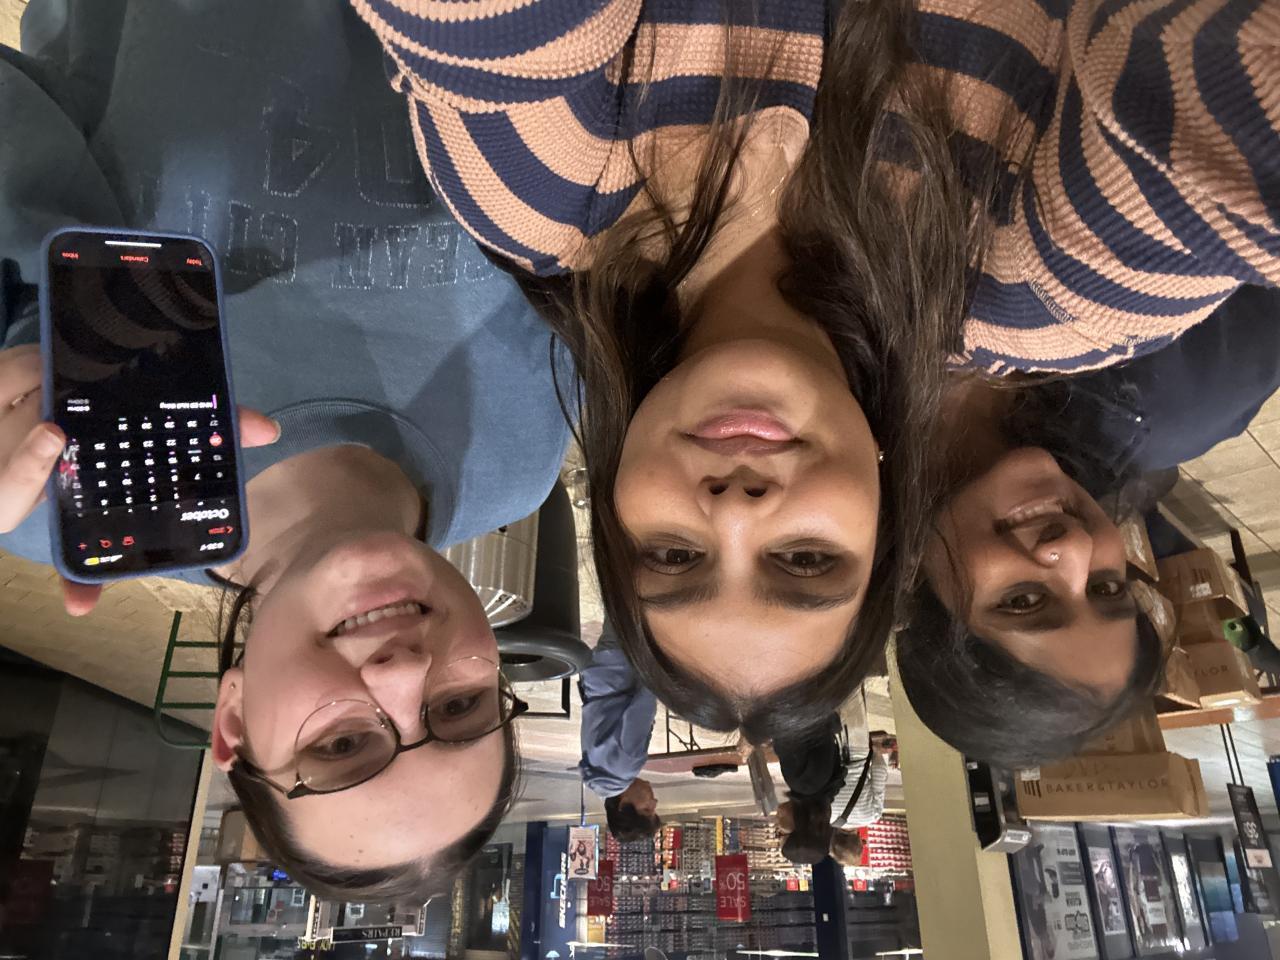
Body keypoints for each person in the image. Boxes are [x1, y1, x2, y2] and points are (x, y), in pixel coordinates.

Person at [353, 0, 1280, 747]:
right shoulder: (1039, 297)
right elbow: (1208, 135)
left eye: (674, 555)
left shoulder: (541, 192)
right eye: (806, 560)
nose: (737, 510)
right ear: (889, 525)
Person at [0, 0, 573, 900]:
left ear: (232, 720)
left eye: (341, 743)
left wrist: (23, 326)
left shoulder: (62, 484)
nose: (403, 674)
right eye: (460, 707)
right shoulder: (522, 454)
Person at [898, 286, 1280, 769]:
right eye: (1106, 587)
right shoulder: (1185, 395)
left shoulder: (836, 407)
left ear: (918, 591)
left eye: (1023, 600)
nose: (1076, 546)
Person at [578, 621, 663, 843]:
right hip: (598, 675)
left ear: (624, 804)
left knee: (627, 608)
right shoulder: (597, 779)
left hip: (620, 667)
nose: (654, 802)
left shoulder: (625, 766)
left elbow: (643, 705)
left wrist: (657, 666)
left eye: (646, 809)